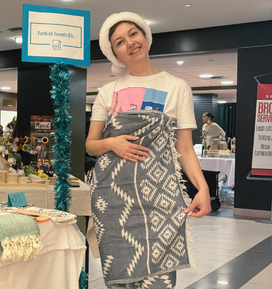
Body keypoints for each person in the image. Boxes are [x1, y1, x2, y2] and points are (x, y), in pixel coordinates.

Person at [85, 12, 210, 288]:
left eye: (133, 34)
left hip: (160, 201)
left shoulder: (177, 87)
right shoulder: (108, 91)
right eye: (119, 41)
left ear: (145, 38)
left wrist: (202, 188)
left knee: (159, 280)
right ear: (115, 54)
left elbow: (185, 148)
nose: (129, 42)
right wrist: (112, 143)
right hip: (114, 201)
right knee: (118, 276)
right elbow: (91, 145)